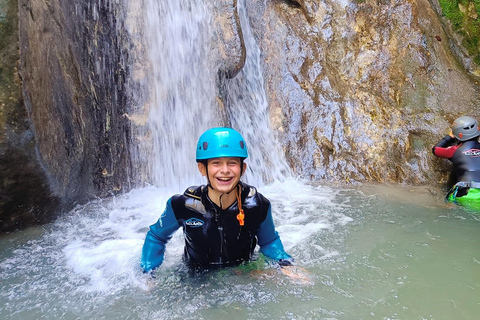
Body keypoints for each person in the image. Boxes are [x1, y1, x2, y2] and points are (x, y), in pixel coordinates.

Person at [141, 127, 294, 273]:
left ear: (243, 168)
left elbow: (269, 241)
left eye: (232, 163)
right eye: (216, 163)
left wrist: (285, 264)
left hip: (242, 274)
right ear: (202, 168)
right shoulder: (183, 205)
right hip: (196, 278)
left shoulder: (257, 204)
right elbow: (156, 237)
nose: (225, 170)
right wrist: (148, 272)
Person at [432, 115, 480, 208]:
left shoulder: (454, 150)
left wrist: (449, 137)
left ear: (458, 135)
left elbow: (436, 150)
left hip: (466, 192)